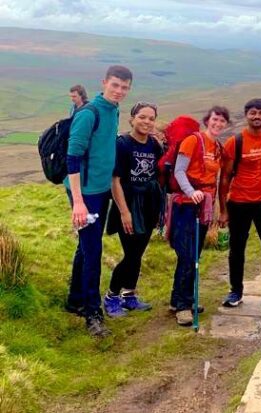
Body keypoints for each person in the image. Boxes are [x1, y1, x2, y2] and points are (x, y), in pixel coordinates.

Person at [64, 65, 133, 337]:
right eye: (115, 85)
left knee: (85, 246)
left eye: (125, 87)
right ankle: (93, 314)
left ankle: (75, 299)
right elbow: (72, 157)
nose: (119, 91)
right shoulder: (88, 113)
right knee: (93, 251)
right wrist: (78, 202)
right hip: (87, 194)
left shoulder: (113, 110)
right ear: (104, 82)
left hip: (101, 190)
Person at [103, 102, 164, 317]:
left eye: (151, 118)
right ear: (132, 119)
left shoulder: (154, 145)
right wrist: (124, 212)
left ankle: (129, 296)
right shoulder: (122, 144)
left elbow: (156, 175)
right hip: (128, 205)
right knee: (131, 254)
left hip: (148, 204)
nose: (147, 122)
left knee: (138, 253)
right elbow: (115, 180)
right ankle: (111, 296)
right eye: (142, 117)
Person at [218, 99, 261, 308]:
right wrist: (223, 210)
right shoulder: (235, 142)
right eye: (253, 113)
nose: (257, 117)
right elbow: (225, 177)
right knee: (237, 249)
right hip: (239, 202)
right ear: (246, 115)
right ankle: (235, 291)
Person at [169, 106, 227, 326]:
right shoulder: (193, 141)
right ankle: (183, 307)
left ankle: (180, 299)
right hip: (186, 204)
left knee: (194, 254)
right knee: (187, 255)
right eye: (215, 119)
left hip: (204, 205)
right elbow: (179, 170)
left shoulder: (217, 147)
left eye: (222, 121)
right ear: (207, 120)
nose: (218, 123)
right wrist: (190, 192)